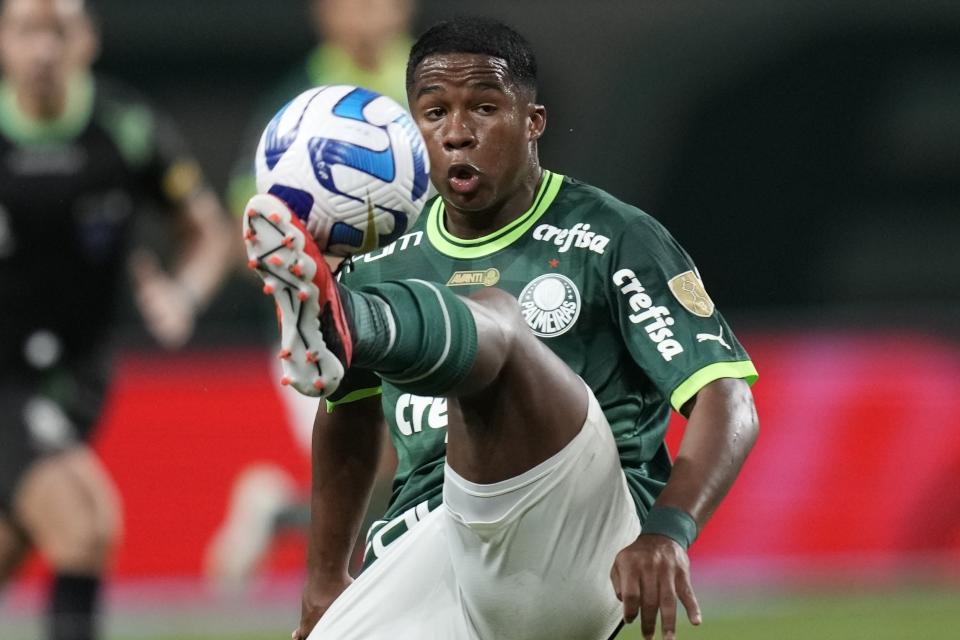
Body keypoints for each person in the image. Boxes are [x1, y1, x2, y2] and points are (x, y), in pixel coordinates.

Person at [244, 16, 759, 640]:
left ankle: (344, 321)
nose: (457, 134)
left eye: (484, 109)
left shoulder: (614, 236)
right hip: (425, 545)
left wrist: (667, 532)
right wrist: (325, 579)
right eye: (434, 115)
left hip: (574, 543)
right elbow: (348, 412)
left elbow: (726, 397)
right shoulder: (387, 258)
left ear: (533, 122)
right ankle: (341, 326)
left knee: (498, 330)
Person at [0, 1, 232, 639]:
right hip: (4, 380)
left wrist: (183, 295)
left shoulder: (125, 129)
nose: (43, 49)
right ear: (2, 42)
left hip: (78, 379)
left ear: (88, 40)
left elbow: (207, 234)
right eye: (26, 30)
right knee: (85, 524)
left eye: (59, 30)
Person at [206, 0, 416, 583]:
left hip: (419, 303)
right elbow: (247, 225)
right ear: (323, 13)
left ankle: (283, 516)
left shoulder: (432, 80)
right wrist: (301, 271)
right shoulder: (296, 100)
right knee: (389, 462)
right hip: (323, 317)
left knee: (411, 473)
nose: (366, 13)